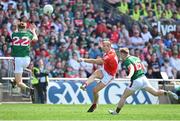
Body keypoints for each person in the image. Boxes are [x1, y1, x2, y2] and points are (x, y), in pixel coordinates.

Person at [108, 48, 179, 115]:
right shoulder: (136, 58)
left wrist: (129, 75)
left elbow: (131, 68)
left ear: (124, 54)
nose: (120, 56)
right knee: (155, 93)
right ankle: (168, 92)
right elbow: (144, 68)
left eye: (121, 54)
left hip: (136, 80)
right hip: (144, 78)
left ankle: (116, 112)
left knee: (123, 97)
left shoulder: (127, 61)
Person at [78, 41, 118, 112]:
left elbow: (95, 61)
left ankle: (94, 105)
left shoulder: (110, 56)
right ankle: (85, 85)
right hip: (105, 70)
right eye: (102, 45)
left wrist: (83, 60)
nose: (102, 47)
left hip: (109, 75)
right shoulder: (109, 51)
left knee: (94, 90)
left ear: (109, 47)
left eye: (104, 46)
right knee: (95, 73)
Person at [11, 21, 38, 97]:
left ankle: (29, 90)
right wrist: (33, 31)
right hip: (27, 59)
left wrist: (16, 26)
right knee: (19, 73)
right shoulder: (28, 34)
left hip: (18, 59)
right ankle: (14, 80)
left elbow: (16, 32)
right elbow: (35, 39)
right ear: (25, 28)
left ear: (18, 27)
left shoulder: (14, 34)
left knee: (19, 82)